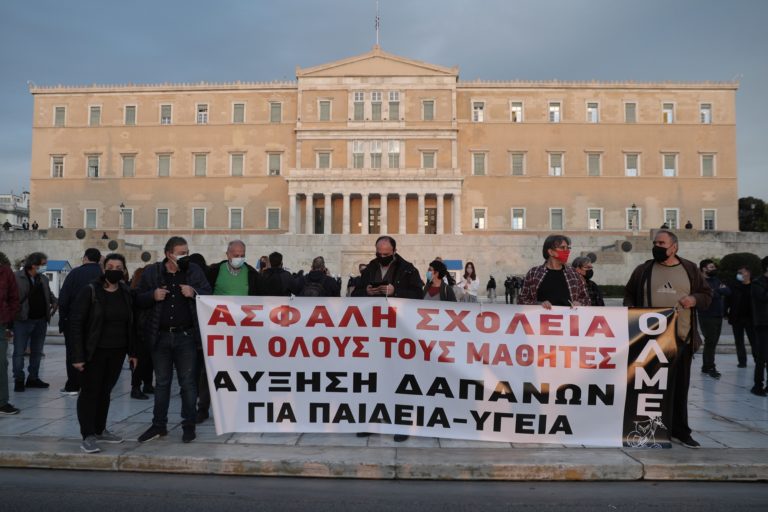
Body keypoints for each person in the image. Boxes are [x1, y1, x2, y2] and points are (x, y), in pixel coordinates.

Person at [624, 229, 712, 448]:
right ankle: (643, 429)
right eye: (655, 243)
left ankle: (681, 431)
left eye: (662, 243)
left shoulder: (689, 269)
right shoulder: (643, 270)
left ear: (674, 247)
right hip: (649, 341)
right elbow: (629, 295)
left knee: (680, 388)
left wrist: (694, 298)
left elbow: (707, 295)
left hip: (681, 339)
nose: (658, 246)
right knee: (648, 389)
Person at [135, 236, 212, 444]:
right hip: (160, 336)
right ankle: (159, 424)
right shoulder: (153, 272)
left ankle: (189, 425)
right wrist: (152, 295)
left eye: (186, 252)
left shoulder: (193, 271)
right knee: (162, 383)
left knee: (188, 383)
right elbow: (137, 297)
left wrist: (193, 292)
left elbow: (208, 293)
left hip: (185, 336)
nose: (184, 256)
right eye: (181, 252)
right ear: (169, 254)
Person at [353, 235, 423, 442]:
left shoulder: (408, 269)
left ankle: (402, 424)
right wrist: (365, 291)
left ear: (393, 251)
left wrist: (396, 291)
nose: (382, 256)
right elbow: (354, 294)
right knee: (373, 379)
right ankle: (370, 421)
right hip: (374, 332)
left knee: (399, 378)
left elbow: (419, 295)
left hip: (399, 333)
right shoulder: (370, 269)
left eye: (386, 254)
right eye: (379, 253)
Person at [69, 253, 137, 453]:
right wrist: (77, 356)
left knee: (105, 391)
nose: (114, 270)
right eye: (110, 266)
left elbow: (131, 324)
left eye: (118, 267)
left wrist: (133, 352)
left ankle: (100, 429)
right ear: (103, 268)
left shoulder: (125, 291)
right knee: (90, 392)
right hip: (94, 351)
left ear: (124, 270)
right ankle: (88, 435)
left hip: (117, 351)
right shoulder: (90, 291)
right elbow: (76, 324)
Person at [200, 240, 260, 422]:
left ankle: (241, 407)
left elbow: (262, 297)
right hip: (217, 331)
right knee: (210, 370)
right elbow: (203, 293)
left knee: (243, 370)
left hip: (243, 332)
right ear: (227, 254)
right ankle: (202, 408)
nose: (239, 258)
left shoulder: (252, 274)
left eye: (242, 254)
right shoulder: (214, 271)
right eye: (236, 255)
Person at [57, 248, 103, 395]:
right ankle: (92, 385)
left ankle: (73, 385)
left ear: (85, 258)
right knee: (95, 353)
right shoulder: (102, 274)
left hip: (74, 321)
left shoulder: (75, 273)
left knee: (73, 352)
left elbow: (63, 299)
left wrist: (63, 320)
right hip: (97, 322)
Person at [13, 252, 57, 391]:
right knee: (19, 352)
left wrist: (55, 301)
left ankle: (33, 378)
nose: (44, 267)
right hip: (22, 320)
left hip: (40, 320)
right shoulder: (16, 277)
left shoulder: (43, 278)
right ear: (34, 265)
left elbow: (48, 294)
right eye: (43, 264)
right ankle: (19, 379)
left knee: (37, 351)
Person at [519, 235, 590, 309]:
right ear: (551, 252)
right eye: (562, 248)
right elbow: (522, 300)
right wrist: (538, 304)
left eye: (568, 248)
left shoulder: (574, 274)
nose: (567, 251)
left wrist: (580, 303)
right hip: (541, 319)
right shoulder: (533, 273)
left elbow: (586, 299)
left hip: (569, 319)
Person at [698, 259, 731, 379]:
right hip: (706, 315)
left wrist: (716, 291)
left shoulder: (716, 280)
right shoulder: (700, 282)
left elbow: (727, 291)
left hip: (718, 315)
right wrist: (718, 291)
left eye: (713, 267)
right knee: (710, 341)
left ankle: (706, 366)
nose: (714, 269)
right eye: (711, 267)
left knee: (712, 342)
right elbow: (709, 295)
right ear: (704, 269)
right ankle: (711, 366)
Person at [0, 252, 20, 415]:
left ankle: (1, 402)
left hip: (0, 323)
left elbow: (14, 297)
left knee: (1, 363)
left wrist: (9, 316)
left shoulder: (5, 272)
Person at [129, 265, 154, 400]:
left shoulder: (137, 293)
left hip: (144, 330)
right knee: (140, 360)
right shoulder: (138, 295)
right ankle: (136, 387)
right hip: (140, 332)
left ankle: (147, 384)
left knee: (148, 360)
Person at [726, 266, 756, 368]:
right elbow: (727, 300)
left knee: (754, 341)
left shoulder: (755, 286)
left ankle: (758, 360)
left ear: (747, 273)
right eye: (738, 272)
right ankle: (742, 362)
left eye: (741, 272)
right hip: (737, 318)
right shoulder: (734, 286)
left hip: (751, 319)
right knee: (739, 341)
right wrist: (725, 313)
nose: (738, 274)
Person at [750, 256, 768, 396]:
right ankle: (757, 385)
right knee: (761, 357)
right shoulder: (757, 283)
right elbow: (763, 298)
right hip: (763, 324)